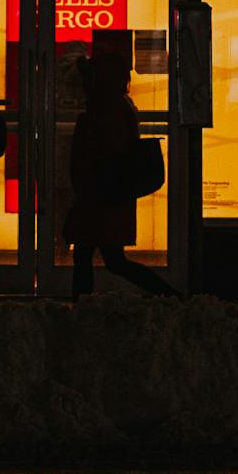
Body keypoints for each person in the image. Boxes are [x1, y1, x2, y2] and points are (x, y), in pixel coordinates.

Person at [64, 53, 178, 300]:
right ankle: (167, 294)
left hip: (100, 195)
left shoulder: (102, 111)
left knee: (89, 254)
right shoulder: (117, 105)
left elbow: (98, 152)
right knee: (111, 258)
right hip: (108, 194)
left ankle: (81, 305)